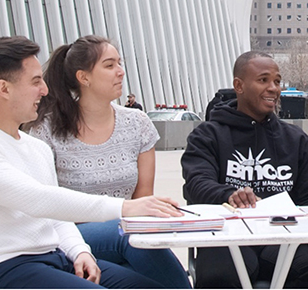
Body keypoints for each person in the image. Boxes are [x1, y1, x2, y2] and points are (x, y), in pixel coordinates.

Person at [0, 36, 182, 289]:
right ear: (4, 89)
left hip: (53, 258)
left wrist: (80, 251)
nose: (45, 90)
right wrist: (125, 208)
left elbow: (55, 217)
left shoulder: (35, 147)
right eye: (36, 82)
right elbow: (37, 199)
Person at [26, 35, 191, 289]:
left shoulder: (137, 123)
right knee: (125, 231)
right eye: (109, 65)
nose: (120, 72)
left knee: (138, 257)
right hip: (69, 235)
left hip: (126, 234)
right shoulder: (48, 129)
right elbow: (43, 204)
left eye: (119, 63)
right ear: (84, 77)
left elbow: (143, 198)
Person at [181, 51, 308, 289]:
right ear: (239, 85)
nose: (273, 88)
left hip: (284, 237)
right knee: (220, 276)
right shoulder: (207, 135)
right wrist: (229, 195)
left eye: (277, 81)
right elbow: (196, 185)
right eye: (263, 80)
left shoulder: (296, 139)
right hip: (226, 237)